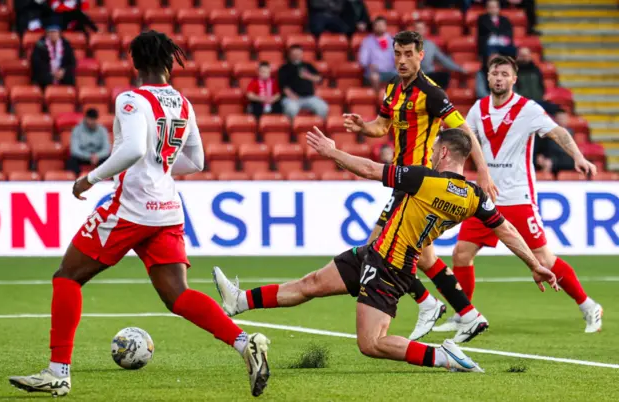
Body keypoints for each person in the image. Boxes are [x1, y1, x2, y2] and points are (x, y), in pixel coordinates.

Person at [9, 31, 271, 398]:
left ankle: (58, 372)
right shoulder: (183, 102)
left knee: (67, 276)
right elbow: (195, 162)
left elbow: (132, 149)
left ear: (135, 64)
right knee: (177, 294)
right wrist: (159, 165)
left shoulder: (131, 99)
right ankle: (246, 343)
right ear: (168, 62)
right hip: (167, 208)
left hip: (132, 207)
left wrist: (90, 178)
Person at [212, 128, 559, 374]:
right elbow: (507, 230)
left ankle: (443, 357)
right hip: (374, 253)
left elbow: (368, 168)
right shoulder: (474, 197)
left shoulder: (425, 179)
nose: (434, 153)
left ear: (444, 152)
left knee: (372, 343)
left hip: (390, 267)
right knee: (312, 283)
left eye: (436, 148)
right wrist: (534, 263)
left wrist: (332, 152)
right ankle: (239, 301)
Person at [342, 30, 498, 343]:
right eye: (398, 54)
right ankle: (467, 314)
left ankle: (428, 303)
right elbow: (382, 126)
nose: (402, 60)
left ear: (421, 55)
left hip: (421, 183)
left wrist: (483, 171)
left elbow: (464, 132)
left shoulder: (432, 93)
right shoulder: (392, 88)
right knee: (423, 257)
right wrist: (363, 127)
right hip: (403, 181)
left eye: (409, 54)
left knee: (378, 248)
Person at [432, 55, 603, 334]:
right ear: (487, 78)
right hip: (485, 199)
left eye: (504, 74)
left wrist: (578, 157)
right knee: (461, 253)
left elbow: (558, 132)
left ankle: (588, 306)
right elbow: (464, 140)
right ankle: (465, 314)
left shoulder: (528, 109)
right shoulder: (478, 108)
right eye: (494, 73)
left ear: (514, 79)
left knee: (545, 261)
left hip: (519, 199)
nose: (498, 78)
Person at [278, 44, 329, 119]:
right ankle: (292, 128)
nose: (296, 56)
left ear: (302, 54)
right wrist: (292, 96)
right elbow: (283, 86)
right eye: (294, 54)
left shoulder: (308, 66)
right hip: (292, 98)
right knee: (291, 109)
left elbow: (319, 79)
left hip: (309, 97)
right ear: (289, 55)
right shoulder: (284, 68)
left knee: (323, 107)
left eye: (298, 54)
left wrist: (308, 76)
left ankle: (317, 127)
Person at [413, 21, 466, 90]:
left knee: (444, 76)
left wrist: (460, 69)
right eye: (418, 29)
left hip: (429, 75)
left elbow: (444, 60)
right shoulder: (408, 46)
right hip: (415, 76)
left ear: (425, 30)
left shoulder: (431, 45)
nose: (420, 31)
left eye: (422, 29)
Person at [30, 20, 76, 89]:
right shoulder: (40, 45)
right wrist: (50, 71)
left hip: (61, 73)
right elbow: (36, 61)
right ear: (47, 33)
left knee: (69, 77)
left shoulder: (66, 45)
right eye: (50, 32)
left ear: (59, 33)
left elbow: (71, 62)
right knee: (43, 77)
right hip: (46, 72)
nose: (52, 34)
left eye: (55, 32)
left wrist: (63, 70)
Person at [66, 108, 110, 176]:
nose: (92, 122)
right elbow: (74, 150)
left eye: (94, 120)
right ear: (85, 118)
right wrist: (89, 156)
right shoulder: (77, 129)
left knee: (110, 160)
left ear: (97, 119)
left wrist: (97, 156)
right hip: (82, 156)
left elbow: (106, 149)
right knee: (71, 161)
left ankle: (105, 181)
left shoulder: (102, 130)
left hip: (98, 156)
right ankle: (77, 181)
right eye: (90, 119)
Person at [358, 16, 396, 92]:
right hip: (375, 72)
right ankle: (378, 100)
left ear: (386, 26)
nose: (380, 27)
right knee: (375, 77)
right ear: (374, 27)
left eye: (382, 25)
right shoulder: (367, 41)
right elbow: (362, 61)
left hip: (391, 71)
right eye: (378, 25)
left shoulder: (393, 40)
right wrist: (369, 65)